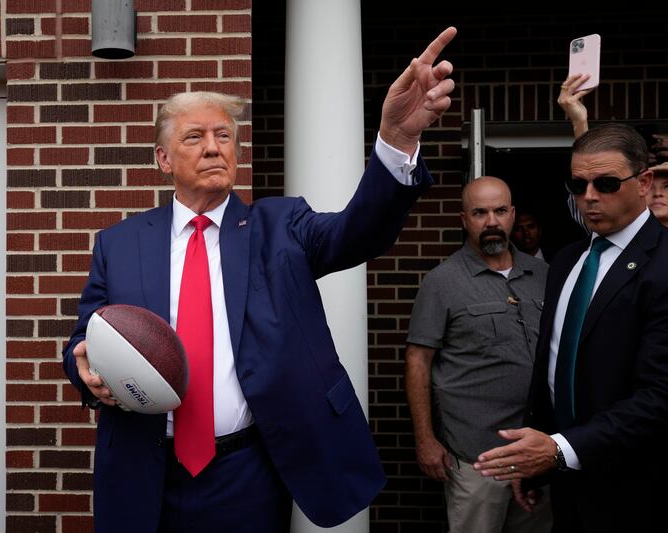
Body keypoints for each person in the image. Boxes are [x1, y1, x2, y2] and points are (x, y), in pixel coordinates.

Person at [63, 27, 458, 533]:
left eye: (223, 136)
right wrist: (84, 370)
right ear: (163, 159)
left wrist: (397, 141)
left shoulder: (281, 226)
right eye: (194, 137)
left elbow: (359, 233)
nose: (213, 148)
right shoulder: (118, 244)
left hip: (247, 472)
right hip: (143, 468)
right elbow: (84, 340)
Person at [473, 123, 668, 532]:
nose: (589, 197)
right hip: (567, 486)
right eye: (578, 185)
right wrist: (538, 459)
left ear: (644, 182)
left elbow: (659, 396)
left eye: (607, 183)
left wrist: (558, 449)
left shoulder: (662, 265)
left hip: (638, 490)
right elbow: (555, 368)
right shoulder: (566, 261)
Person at [405, 177, 551, 532]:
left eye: (500, 211)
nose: (491, 222)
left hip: (537, 451)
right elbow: (418, 361)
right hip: (476, 456)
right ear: (464, 219)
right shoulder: (443, 281)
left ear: (513, 215)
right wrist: (425, 440)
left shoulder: (545, 275)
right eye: (480, 213)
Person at [559, 73, 668, 228]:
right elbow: (589, 171)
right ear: (642, 187)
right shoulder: (610, 235)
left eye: (667, 186)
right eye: (651, 187)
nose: (657, 194)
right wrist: (579, 122)